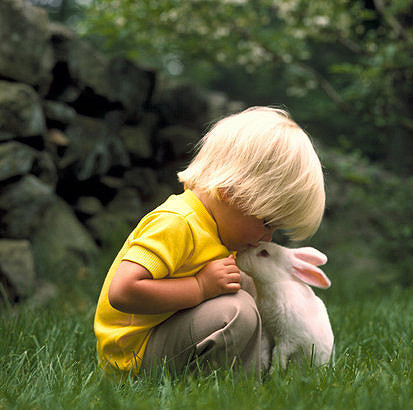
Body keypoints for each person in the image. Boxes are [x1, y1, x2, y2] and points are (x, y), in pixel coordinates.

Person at [94, 106, 325, 379]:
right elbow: (123, 292)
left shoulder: (217, 230)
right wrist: (199, 287)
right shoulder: (177, 223)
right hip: (134, 356)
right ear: (232, 193)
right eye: (266, 222)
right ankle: (242, 388)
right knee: (236, 311)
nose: (267, 238)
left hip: (167, 335)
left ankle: (252, 375)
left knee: (247, 286)